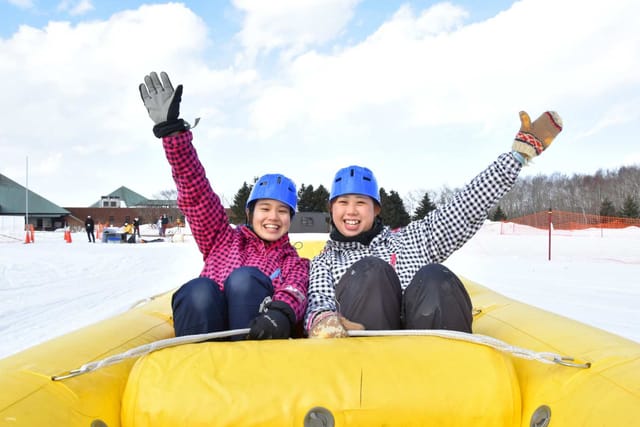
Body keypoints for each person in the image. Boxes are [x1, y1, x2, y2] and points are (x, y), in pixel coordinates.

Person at [305, 111, 563, 338]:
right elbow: (319, 302)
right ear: (332, 209)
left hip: (424, 357)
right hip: (366, 360)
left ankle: (450, 374)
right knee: (371, 271)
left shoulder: (412, 239)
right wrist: (323, 320)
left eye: (361, 202)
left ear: (376, 209)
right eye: (343, 203)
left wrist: (516, 157)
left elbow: (464, 206)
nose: (351, 211)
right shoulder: (324, 262)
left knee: (435, 276)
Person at [139, 71, 309, 340]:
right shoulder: (220, 238)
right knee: (199, 290)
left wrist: (280, 312)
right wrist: (172, 134)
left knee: (245, 280)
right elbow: (195, 191)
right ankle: (194, 366)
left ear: (291, 217)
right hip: (209, 338)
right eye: (265, 208)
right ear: (250, 212)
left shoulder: (294, 263)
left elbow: (295, 292)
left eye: (282, 210)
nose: (273, 217)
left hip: (255, 344)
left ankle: (245, 367)